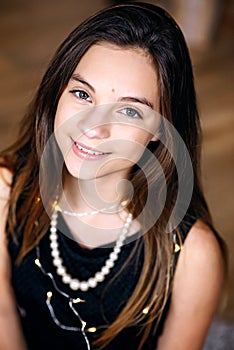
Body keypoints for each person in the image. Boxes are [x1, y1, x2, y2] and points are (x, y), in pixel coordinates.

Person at [0, 2, 226, 350]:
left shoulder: (193, 255)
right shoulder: (7, 190)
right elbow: (3, 314)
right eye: (81, 93)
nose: (92, 128)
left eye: (129, 111)